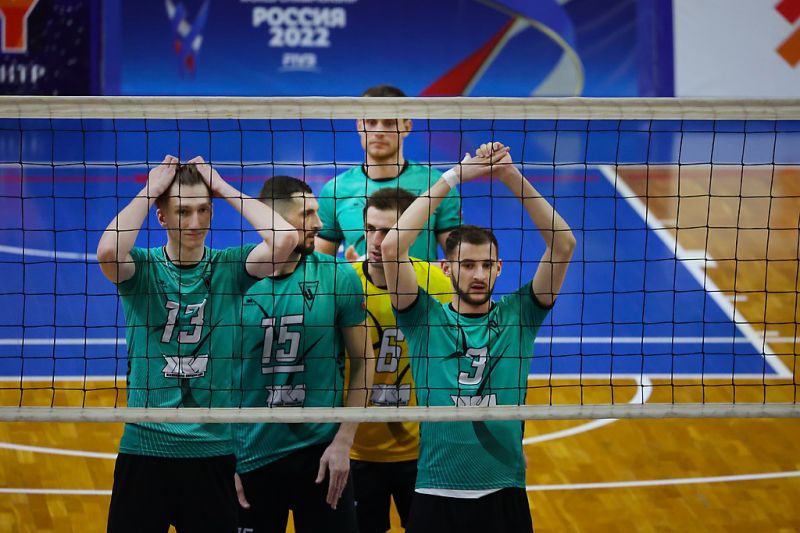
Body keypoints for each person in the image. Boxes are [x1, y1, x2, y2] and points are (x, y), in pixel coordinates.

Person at [381, 142, 576, 533]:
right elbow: (391, 247)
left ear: (499, 268)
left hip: (503, 489)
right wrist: (454, 177)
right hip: (436, 489)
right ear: (446, 268)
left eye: (487, 265)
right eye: (467, 265)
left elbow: (563, 244)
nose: (478, 275)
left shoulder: (519, 316)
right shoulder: (423, 319)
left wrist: (509, 175)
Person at [96, 155, 298, 532]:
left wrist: (221, 186)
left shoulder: (229, 268)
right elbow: (107, 252)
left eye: (204, 210)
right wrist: (150, 191)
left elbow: (285, 238)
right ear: (161, 217)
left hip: (210, 452)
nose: (195, 222)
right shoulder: (142, 271)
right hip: (146, 448)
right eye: (183, 211)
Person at [234, 176, 374, 533]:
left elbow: (363, 362)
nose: (319, 223)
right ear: (275, 221)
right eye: (307, 214)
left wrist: (344, 441)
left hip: (322, 455)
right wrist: (225, 460)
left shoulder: (338, 276)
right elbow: (214, 378)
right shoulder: (234, 280)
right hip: (251, 455)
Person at [349, 187, 454, 533]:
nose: (377, 241)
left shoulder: (437, 283)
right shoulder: (343, 283)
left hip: (424, 453)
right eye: (370, 229)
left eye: (389, 231)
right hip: (357, 451)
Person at [315, 84, 461, 261]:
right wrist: (349, 270)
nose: (379, 131)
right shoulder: (335, 190)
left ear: (407, 127)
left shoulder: (437, 184)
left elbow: (458, 262)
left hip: (418, 281)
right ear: (360, 125)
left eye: (389, 123)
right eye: (371, 122)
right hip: (358, 281)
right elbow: (320, 266)